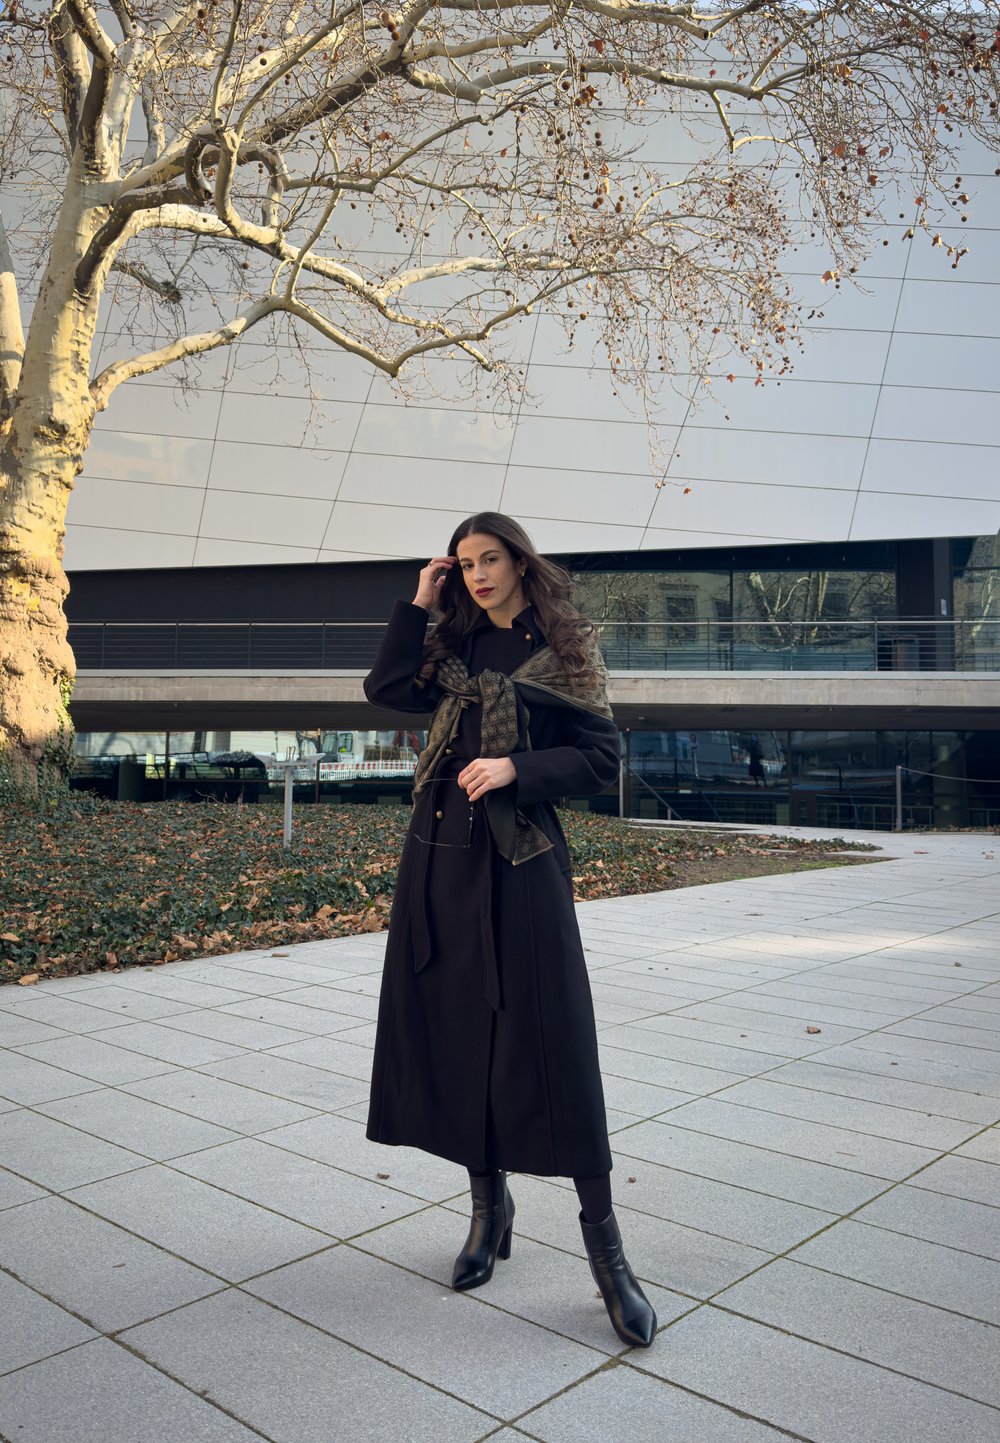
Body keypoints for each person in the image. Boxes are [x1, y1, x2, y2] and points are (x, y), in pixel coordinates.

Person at [363, 512, 657, 1349]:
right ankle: (488, 1214)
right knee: (460, 1035)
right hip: (439, 866)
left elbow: (603, 760)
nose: (477, 574)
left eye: (489, 558)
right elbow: (384, 690)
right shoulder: (445, 651)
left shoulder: (565, 650)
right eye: (463, 564)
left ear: (521, 562)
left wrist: (516, 769)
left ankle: (610, 1264)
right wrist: (417, 603)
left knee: (554, 1044)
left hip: (521, 867)